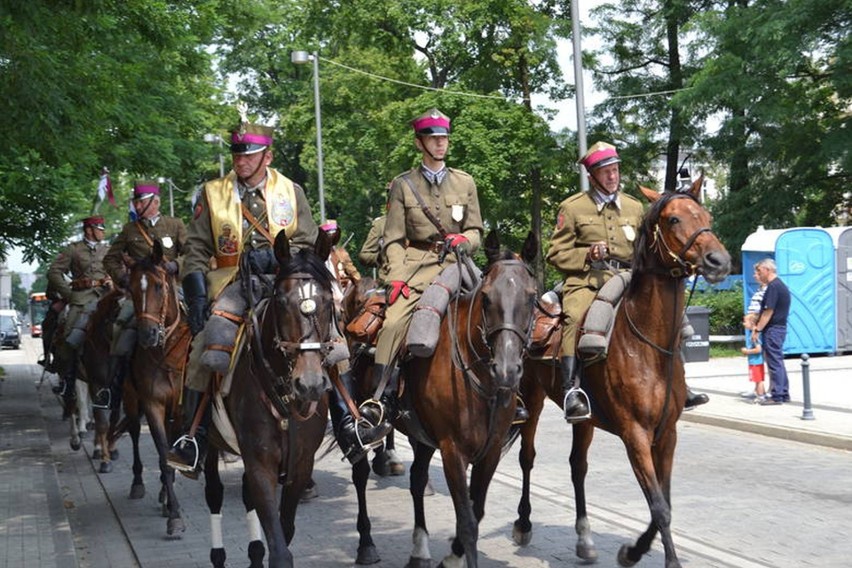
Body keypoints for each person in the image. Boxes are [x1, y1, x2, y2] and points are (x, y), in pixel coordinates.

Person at [167, 121, 386, 474]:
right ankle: (193, 435)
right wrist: (195, 296)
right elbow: (195, 249)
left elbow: (308, 240)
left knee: (333, 339)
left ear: (266, 156)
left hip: (286, 278)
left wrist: (275, 258)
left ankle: (350, 423)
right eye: (237, 154)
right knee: (206, 345)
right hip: (232, 281)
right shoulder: (212, 193)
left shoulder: (290, 190)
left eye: (249, 155)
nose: (241, 161)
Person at [546, 141, 709, 423]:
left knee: (669, 316)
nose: (612, 176)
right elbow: (556, 253)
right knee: (575, 317)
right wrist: (587, 253)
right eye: (605, 171)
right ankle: (572, 390)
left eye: (615, 169)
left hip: (630, 278)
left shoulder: (634, 207)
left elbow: (650, 247)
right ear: (592, 175)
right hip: (589, 280)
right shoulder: (572, 207)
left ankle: (680, 382)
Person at [366, 108, 485, 426]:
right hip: (417, 268)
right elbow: (392, 239)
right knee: (391, 325)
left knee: (497, 311)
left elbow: (476, 230)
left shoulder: (465, 182)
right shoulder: (404, 185)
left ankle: (507, 394)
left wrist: (466, 241)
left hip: (459, 265)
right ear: (419, 143)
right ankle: (382, 400)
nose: (440, 144)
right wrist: (397, 277)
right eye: (433, 139)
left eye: (443, 138)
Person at [95, 180, 187, 409]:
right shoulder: (130, 230)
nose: (137, 205)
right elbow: (110, 259)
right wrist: (124, 279)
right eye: (136, 201)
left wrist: (176, 265)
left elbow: (193, 253)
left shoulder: (174, 225)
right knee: (119, 330)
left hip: (174, 289)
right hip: (142, 294)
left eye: (142, 201)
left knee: (202, 322)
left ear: (156, 202)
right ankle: (113, 388)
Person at [47, 216, 111, 412]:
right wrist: (68, 293)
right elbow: (54, 272)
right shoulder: (73, 249)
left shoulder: (108, 250)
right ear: (89, 229)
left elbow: (119, 269)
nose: (103, 231)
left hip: (106, 297)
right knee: (68, 335)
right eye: (100, 228)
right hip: (81, 299)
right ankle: (65, 375)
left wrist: (113, 281)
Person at [751, 258, 791, 405]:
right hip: (779, 328)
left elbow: (768, 311)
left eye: (759, 271)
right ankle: (783, 393)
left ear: (768, 270)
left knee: (774, 362)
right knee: (778, 361)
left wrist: (757, 329)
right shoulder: (778, 285)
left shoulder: (773, 287)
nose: (757, 274)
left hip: (773, 329)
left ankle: (777, 395)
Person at [741, 313, 766, 402]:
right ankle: (757, 392)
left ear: (752, 323)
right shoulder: (752, 333)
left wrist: (747, 351)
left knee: (758, 380)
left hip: (756, 361)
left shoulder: (754, 335)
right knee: (757, 379)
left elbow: (758, 349)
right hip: (755, 361)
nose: (743, 324)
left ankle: (761, 396)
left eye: (745, 321)